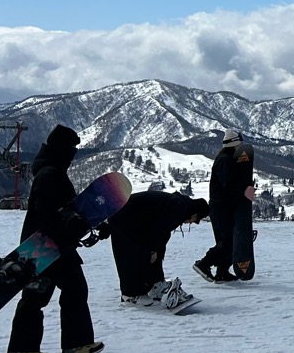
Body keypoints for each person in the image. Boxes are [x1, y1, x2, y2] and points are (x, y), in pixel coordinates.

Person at [5, 124, 103, 353]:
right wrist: (70, 226)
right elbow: (49, 211)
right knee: (66, 291)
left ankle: (23, 350)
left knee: (42, 295)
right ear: (62, 149)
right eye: (71, 149)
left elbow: (65, 210)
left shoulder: (50, 171)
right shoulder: (50, 174)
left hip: (45, 244)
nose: (73, 154)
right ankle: (74, 345)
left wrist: (83, 226)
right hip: (48, 244)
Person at [93, 191, 210, 310]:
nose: (191, 222)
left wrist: (156, 251)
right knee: (133, 255)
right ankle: (131, 295)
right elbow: (159, 228)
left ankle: (154, 285)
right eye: (195, 220)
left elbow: (163, 233)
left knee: (149, 253)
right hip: (126, 217)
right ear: (194, 214)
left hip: (132, 217)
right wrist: (153, 250)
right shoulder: (180, 208)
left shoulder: (180, 205)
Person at [195, 132, 256, 283]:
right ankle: (204, 264)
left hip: (223, 206)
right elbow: (228, 184)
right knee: (229, 241)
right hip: (222, 207)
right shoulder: (226, 160)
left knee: (230, 240)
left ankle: (222, 271)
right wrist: (244, 190)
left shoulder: (226, 158)